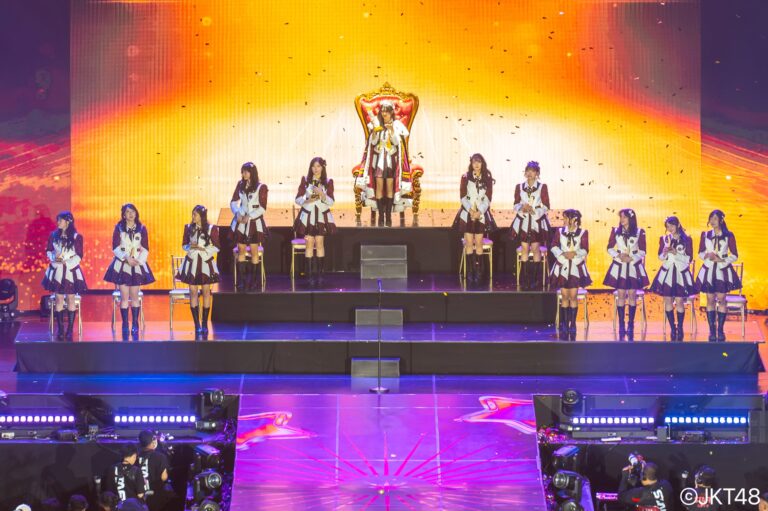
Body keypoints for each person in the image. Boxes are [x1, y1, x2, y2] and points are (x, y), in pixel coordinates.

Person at [103, 204, 155, 339]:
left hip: (136, 264)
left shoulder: (141, 228)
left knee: (135, 297)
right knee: (124, 297)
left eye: (133, 211)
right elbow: (115, 247)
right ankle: (125, 324)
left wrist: (138, 261)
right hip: (123, 265)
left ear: (136, 213)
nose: (131, 214)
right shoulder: (119, 228)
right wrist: (126, 258)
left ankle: (135, 324)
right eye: (128, 212)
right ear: (124, 215)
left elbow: (145, 248)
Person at [603, 209, 649, 340]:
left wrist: (632, 258)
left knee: (632, 294)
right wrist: (619, 255)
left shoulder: (640, 232)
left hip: (633, 265)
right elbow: (609, 248)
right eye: (621, 217)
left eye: (624, 217)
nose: (622, 219)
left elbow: (643, 250)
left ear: (631, 218)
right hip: (620, 265)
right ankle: (622, 324)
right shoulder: (615, 231)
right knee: (621, 294)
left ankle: (631, 324)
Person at [361, 101, 409, 227]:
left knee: (389, 187)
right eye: (382, 111)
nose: (384, 113)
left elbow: (397, 143)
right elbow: (373, 143)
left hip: (391, 162)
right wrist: (375, 132)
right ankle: (381, 216)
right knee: (379, 187)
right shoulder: (377, 124)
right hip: (379, 162)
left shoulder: (397, 125)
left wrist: (392, 130)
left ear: (392, 112)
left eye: (386, 111)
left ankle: (388, 216)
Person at [696, 210, 740, 342]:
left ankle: (720, 329)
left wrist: (721, 259)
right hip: (709, 269)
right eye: (711, 218)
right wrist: (707, 255)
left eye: (715, 218)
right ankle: (712, 330)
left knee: (721, 299)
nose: (712, 221)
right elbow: (700, 253)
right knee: (710, 299)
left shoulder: (729, 235)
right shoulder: (705, 235)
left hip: (722, 269)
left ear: (721, 220)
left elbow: (735, 255)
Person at [42, 211, 87, 341]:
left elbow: (79, 255)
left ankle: (70, 329)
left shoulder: (77, 237)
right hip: (57, 270)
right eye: (58, 220)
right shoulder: (53, 235)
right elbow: (49, 250)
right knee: (59, 299)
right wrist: (53, 257)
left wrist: (67, 263)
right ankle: (61, 329)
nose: (58, 223)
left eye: (60, 220)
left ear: (68, 221)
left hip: (70, 271)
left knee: (71, 298)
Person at [452, 153, 497, 284]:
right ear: (471, 164)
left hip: (480, 215)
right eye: (474, 162)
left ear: (482, 163)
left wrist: (479, 212)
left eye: (479, 162)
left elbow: (488, 198)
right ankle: (470, 272)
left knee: (478, 243)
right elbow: (462, 196)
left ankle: (479, 272)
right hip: (468, 214)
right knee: (469, 243)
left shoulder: (487, 178)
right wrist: (471, 210)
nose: (476, 164)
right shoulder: (465, 177)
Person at [650, 216, 696, 341]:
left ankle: (680, 327)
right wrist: (665, 252)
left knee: (680, 301)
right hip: (667, 272)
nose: (669, 228)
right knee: (668, 300)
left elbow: (689, 259)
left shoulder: (687, 239)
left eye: (671, 225)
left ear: (678, 225)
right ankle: (672, 328)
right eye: (667, 226)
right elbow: (660, 257)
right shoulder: (664, 239)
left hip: (681, 272)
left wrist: (676, 253)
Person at [177, 205, 220, 337]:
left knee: (206, 291)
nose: (193, 217)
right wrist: (190, 246)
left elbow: (217, 247)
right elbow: (184, 245)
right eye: (192, 214)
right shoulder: (188, 227)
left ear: (202, 216)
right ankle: (197, 324)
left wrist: (203, 249)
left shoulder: (211, 228)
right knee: (193, 291)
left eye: (195, 214)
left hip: (205, 262)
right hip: (192, 262)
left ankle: (204, 322)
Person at [294, 157, 336, 285]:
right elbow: (298, 199)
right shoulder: (306, 180)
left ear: (322, 168)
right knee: (309, 244)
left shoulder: (328, 182)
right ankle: (309, 276)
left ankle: (320, 276)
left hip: (321, 217)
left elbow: (331, 202)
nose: (315, 169)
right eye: (313, 166)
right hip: (308, 217)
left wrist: (322, 194)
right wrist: (308, 199)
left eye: (318, 166)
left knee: (320, 243)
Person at [550, 209, 591, 340]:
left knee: (573, 296)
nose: (564, 220)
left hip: (575, 267)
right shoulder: (560, 231)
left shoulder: (583, 232)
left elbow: (585, 249)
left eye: (566, 218)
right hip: (562, 266)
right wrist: (563, 254)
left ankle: (572, 323)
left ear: (573, 219)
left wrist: (574, 254)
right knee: (564, 296)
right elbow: (553, 246)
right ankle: (564, 323)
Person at [509, 161, 550, 289]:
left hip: (536, 221)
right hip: (524, 221)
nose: (530, 173)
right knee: (525, 248)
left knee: (536, 248)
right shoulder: (519, 187)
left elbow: (546, 206)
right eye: (528, 170)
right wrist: (522, 207)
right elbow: (515, 204)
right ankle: (525, 279)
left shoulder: (542, 187)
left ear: (537, 173)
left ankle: (536, 279)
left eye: (533, 171)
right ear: (525, 172)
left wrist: (535, 211)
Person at [230, 162, 269, 291]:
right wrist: (237, 213)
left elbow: (262, 207)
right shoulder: (240, 184)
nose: (244, 174)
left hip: (254, 223)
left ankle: (254, 280)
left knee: (254, 251)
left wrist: (250, 216)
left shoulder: (261, 187)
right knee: (241, 250)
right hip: (241, 222)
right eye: (243, 171)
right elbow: (233, 202)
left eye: (246, 171)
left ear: (252, 172)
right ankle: (242, 281)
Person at [137, 430, 176, 511]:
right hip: (157, 498)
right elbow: (164, 477)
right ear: (153, 441)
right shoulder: (160, 457)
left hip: (139, 499)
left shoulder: (135, 457)